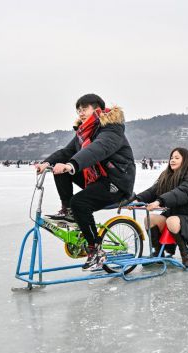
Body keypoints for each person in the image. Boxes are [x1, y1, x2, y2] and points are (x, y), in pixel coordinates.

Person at [36, 93, 136, 271]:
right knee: (60, 169)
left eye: (85, 109)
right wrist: (47, 163)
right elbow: (66, 152)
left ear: (97, 109)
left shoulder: (112, 128)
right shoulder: (84, 132)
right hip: (98, 179)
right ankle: (67, 210)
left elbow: (98, 149)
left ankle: (96, 250)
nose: (81, 113)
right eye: (78, 110)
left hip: (117, 183)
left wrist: (72, 164)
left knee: (80, 202)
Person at [134, 148, 188, 267]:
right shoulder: (167, 175)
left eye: (177, 158)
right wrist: (137, 199)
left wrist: (160, 201)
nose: (172, 160)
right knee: (149, 219)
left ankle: (185, 255)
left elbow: (183, 191)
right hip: (173, 214)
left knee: (172, 220)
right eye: (172, 157)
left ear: (185, 160)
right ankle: (159, 252)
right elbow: (153, 191)